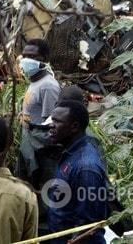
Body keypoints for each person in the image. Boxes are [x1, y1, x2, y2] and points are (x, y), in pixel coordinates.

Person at [46, 101, 110, 244]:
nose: (51, 125)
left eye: (57, 121)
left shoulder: (85, 167)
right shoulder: (70, 153)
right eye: (52, 119)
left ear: (74, 126)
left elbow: (87, 226)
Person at [19, 39, 61, 185]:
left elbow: (50, 124)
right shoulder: (35, 82)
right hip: (29, 148)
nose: (26, 60)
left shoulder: (48, 86)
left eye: (32, 57)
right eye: (24, 56)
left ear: (45, 59)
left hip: (40, 152)